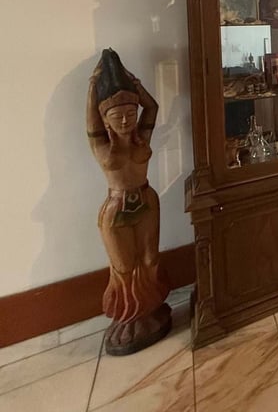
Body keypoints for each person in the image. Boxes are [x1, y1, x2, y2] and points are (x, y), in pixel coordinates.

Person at [87, 49, 171, 355]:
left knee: (149, 260)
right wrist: (92, 89)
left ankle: (150, 307)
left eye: (130, 113)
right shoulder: (102, 147)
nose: (125, 119)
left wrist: (137, 86)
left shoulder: (141, 140)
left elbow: (153, 107)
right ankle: (128, 316)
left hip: (146, 200)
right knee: (123, 267)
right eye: (117, 115)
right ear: (105, 119)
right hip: (116, 209)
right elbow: (91, 124)